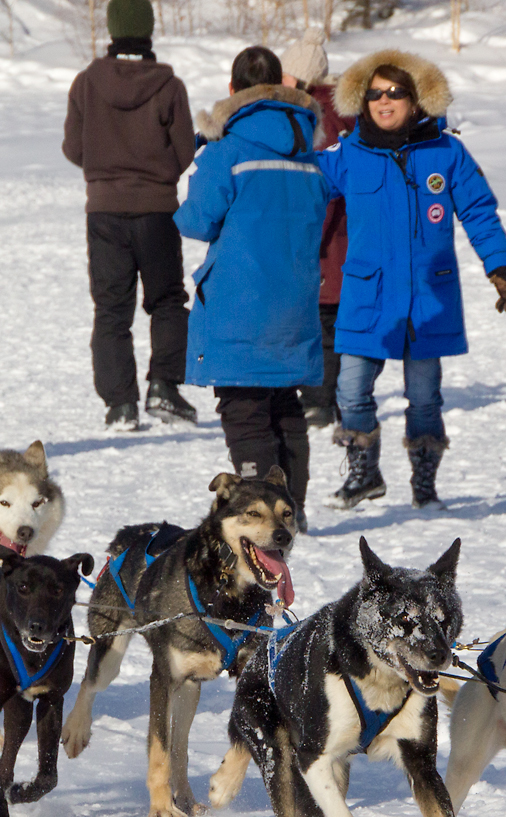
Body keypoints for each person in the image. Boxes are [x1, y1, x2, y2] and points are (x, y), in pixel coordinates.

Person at [317, 50, 506, 511]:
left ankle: (424, 485)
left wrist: (499, 266)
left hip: (429, 298)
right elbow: (297, 183)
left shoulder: (446, 152)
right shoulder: (347, 154)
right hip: (369, 296)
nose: (384, 102)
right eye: (375, 94)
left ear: (418, 98)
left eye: (396, 93)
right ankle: (365, 475)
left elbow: (479, 211)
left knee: (424, 397)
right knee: (350, 390)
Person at [174, 46, 329, 519]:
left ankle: (265, 509)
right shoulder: (310, 149)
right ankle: (293, 507)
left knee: (244, 409)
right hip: (296, 298)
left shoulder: (230, 149)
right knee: (284, 402)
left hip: (241, 300)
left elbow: (197, 221)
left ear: (231, 90)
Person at [62, 0, 196, 431]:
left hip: (103, 211)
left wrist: (106, 171)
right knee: (168, 301)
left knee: (111, 311)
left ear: (112, 30)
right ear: (149, 30)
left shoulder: (86, 82)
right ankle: (164, 388)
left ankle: (121, 404)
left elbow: (73, 149)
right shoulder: (169, 85)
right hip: (156, 210)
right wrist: (155, 176)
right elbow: (185, 152)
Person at [280, 29, 356, 430]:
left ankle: (318, 402)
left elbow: (320, 189)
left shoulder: (313, 118)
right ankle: (341, 397)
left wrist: (306, 240)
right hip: (345, 239)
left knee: (318, 322)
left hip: (323, 241)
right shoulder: (344, 113)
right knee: (335, 324)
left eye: (287, 77)